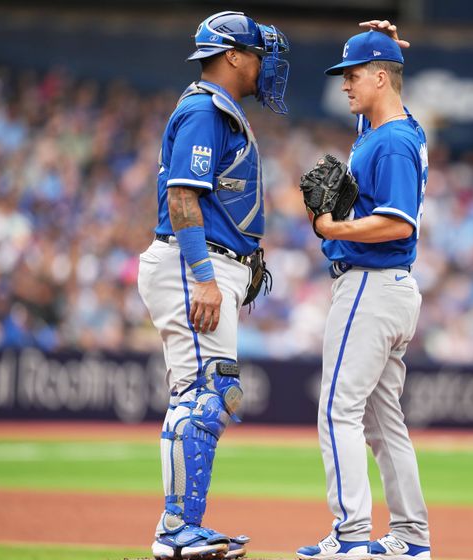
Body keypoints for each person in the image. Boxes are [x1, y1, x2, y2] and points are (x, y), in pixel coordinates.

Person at [136, 11, 289, 560]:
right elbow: (182, 198)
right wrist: (204, 276)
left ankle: (182, 526)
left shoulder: (213, 108)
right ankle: (176, 528)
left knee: (204, 392)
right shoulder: (205, 108)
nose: (266, 66)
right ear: (232, 56)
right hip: (189, 263)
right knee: (207, 393)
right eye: (258, 54)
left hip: (199, 263)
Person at [297, 24, 432, 560]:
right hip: (391, 290)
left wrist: (335, 229)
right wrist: (387, 48)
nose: (345, 85)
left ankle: (351, 535)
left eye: (353, 76)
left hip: (371, 286)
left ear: (380, 76)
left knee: (337, 411)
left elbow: (399, 223)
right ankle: (411, 537)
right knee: (382, 421)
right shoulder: (396, 127)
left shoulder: (394, 142)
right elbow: (381, 105)